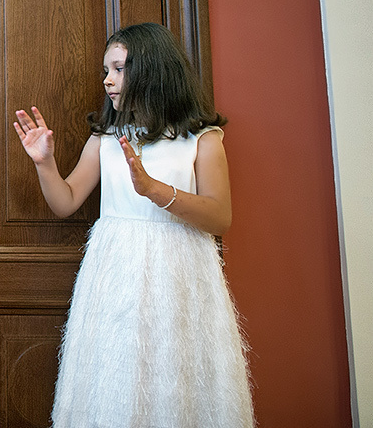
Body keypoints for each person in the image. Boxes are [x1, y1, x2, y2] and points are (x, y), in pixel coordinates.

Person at [14, 23, 253, 427]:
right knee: (115, 376)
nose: (107, 80)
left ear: (153, 70)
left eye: (119, 69)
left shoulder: (201, 138)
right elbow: (66, 201)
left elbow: (220, 216)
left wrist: (155, 190)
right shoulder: (105, 138)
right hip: (115, 272)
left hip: (179, 274)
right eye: (105, 70)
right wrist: (45, 163)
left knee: (176, 376)